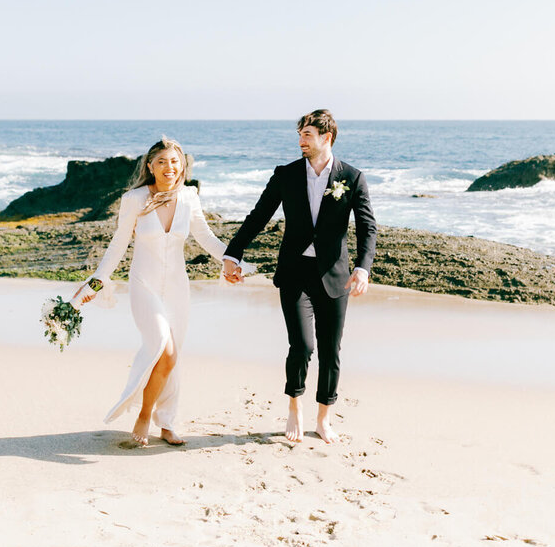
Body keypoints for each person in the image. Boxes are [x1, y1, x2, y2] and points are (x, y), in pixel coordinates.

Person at [71, 137, 247, 447]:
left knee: (172, 358)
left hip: (178, 289)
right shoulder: (135, 199)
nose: (169, 167)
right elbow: (118, 245)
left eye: (174, 161)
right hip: (144, 286)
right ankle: (144, 413)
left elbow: (206, 237)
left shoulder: (189, 197)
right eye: (162, 162)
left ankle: (166, 423)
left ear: (183, 166)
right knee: (163, 348)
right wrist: (96, 282)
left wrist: (233, 263)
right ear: (150, 167)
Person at [222, 109, 376, 444]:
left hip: (335, 277)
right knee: (302, 346)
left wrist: (362, 268)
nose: (301, 141)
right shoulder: (286, 174)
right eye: (300, 135)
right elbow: (259, 215)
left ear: (326, 137)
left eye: (307, 135)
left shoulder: (352, 177)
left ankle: (324, 417)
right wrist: (233, 253)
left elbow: (367, 228)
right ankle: (295, 405)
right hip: (294, 273)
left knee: (331, 350)